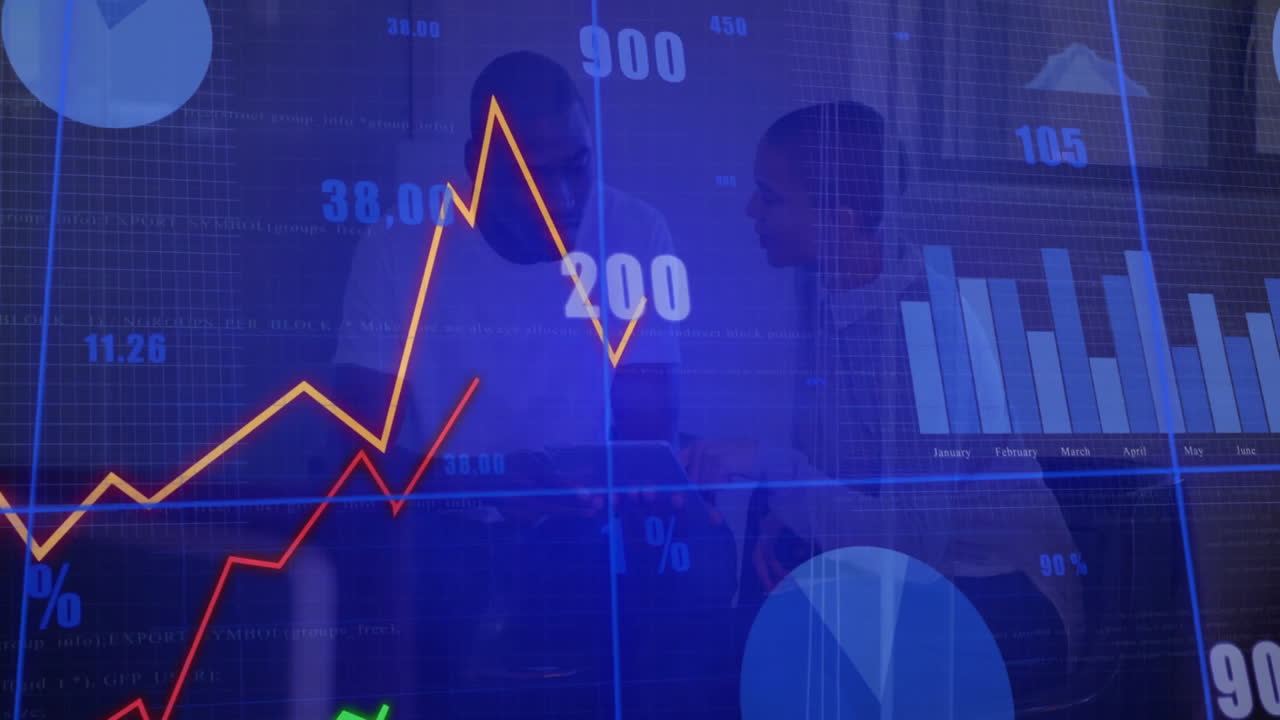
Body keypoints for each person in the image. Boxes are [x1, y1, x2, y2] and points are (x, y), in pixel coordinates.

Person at [331, 51, 731, 718]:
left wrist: (561, 501)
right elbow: (359, 448)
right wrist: (489, 482)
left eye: (576, 166)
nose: (565, 200)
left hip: (583, 539)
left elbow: (646, 441)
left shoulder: (634, 231)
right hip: (442, 532)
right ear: (476, 166)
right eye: (532, 176)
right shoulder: (399, 245)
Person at [685, 101, 1087, 673]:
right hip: (911, 583)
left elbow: (914, 545)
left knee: (793, 654)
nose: (751, 210)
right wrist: (785, 517)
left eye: (770, 197)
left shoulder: (931, 330)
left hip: (1002, 598)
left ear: (840, 221)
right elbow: (839, 472)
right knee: (759, 590)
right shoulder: (821, 294)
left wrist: (776, 470)